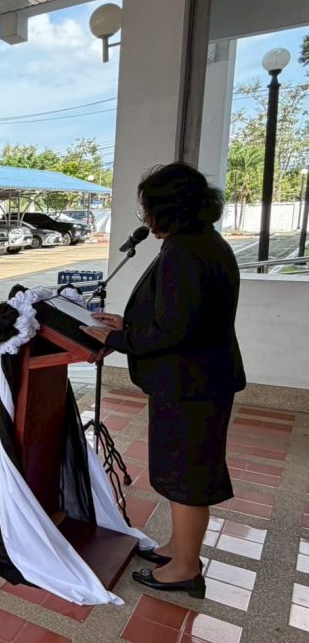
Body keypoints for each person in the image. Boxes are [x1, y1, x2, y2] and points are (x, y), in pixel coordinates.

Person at [81, 162, 246, 599]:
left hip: (191, 384)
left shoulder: (186, 252)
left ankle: (186, 569)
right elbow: (181, 315)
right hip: (196, 379)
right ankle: (178, 549)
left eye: (148, 209)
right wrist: (127, 324)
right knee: (180, 469)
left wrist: (117, 339)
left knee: (187, 476)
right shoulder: (200, 242)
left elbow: (175, 330)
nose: (147, 218)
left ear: (166, 209)